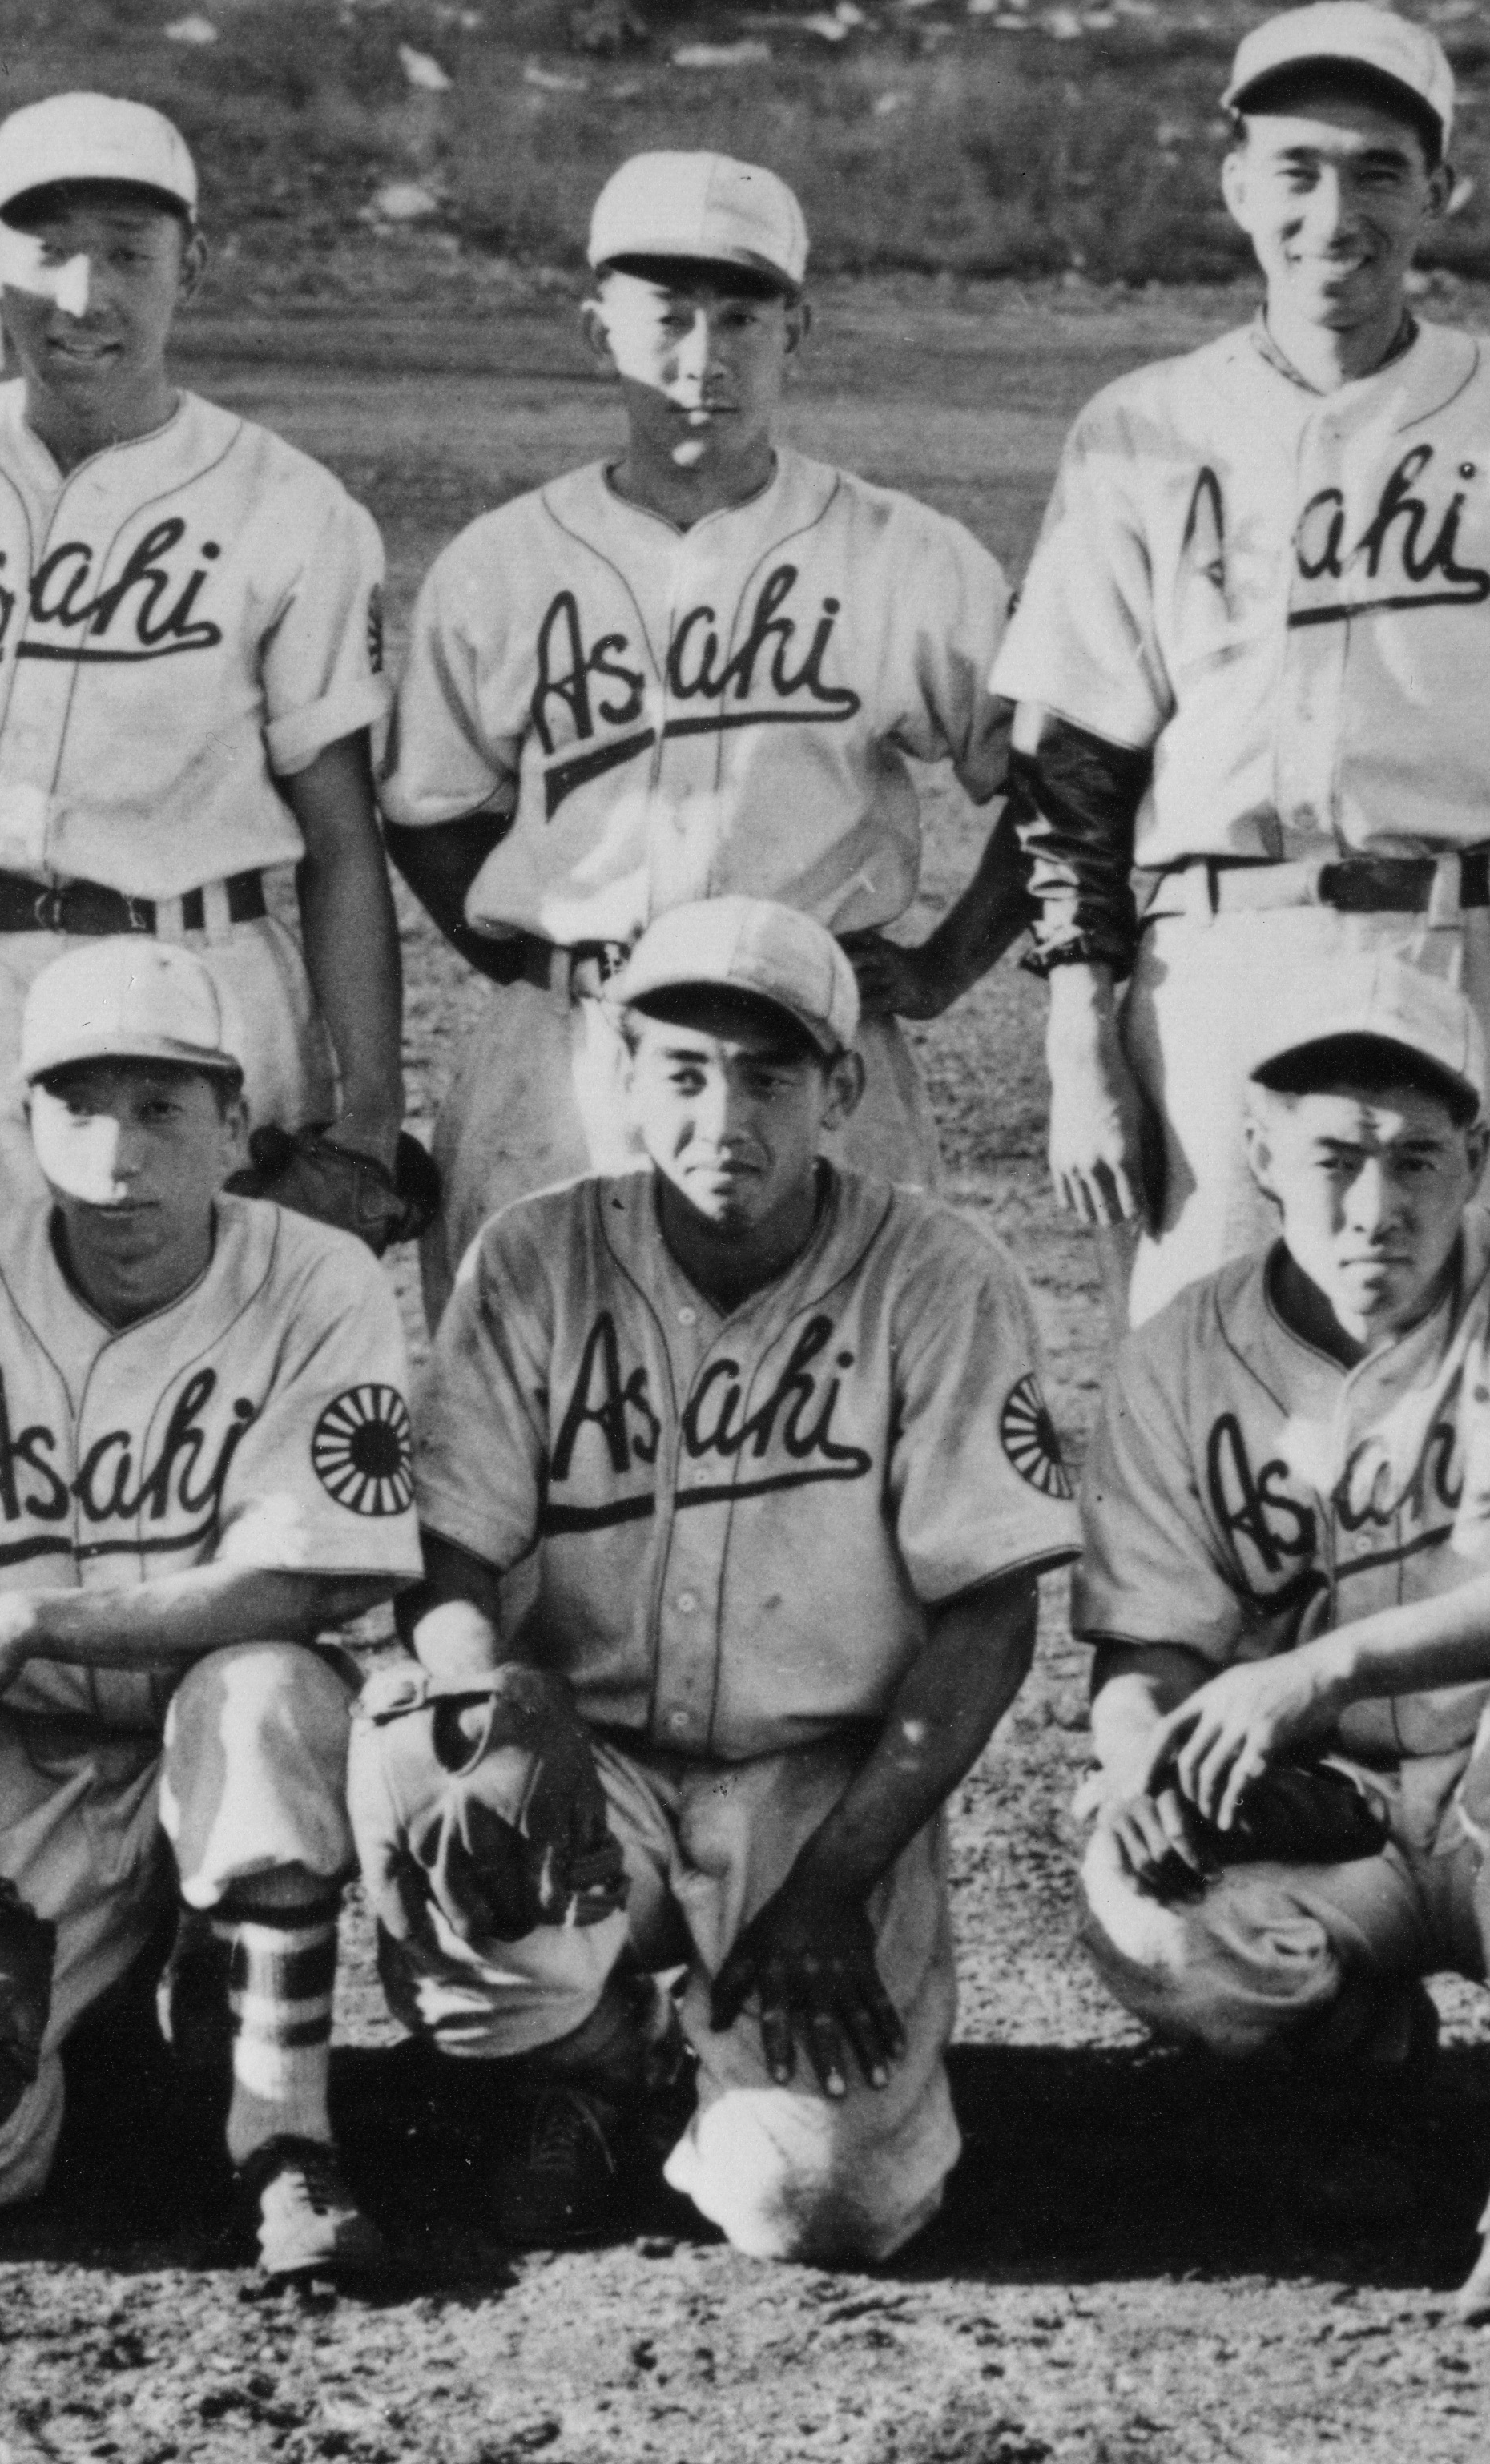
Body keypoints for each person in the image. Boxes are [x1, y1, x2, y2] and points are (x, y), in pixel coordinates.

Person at [994, 0, 1490, 1323]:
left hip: (1478, 950)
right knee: (1213, 1387)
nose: (1336, 211)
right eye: (1297, 169)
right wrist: (1078, 1037)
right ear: (1235, 188)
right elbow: (1071, 763)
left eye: (1379, 168)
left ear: (1440, 189)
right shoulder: (1140, 428)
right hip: (1217, 960)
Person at [364, 896, 1078, 2263]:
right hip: (596, 1770)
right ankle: (604, 2054)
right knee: (429, 1782)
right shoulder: (532, 1253)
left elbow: (991, 1610)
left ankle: (727, 2060)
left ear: (841, 1089)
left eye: (769, 1075)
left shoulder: (939, 1274)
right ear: (623, 1079)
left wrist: (835, 1877)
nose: (722, 1117)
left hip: (822, 1784)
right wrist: (487, 1705)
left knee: (822, 2208)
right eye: (682, 1072)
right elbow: (451, 1550)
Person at [1072, 958, 1490, 2332]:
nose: (1378, 1204)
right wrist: (1141, 1767)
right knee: (1144, 1905)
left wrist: (1322, 1667)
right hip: (1332, 1816)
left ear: (1476, 1154)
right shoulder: (1176, 1353)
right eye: (1335, 1156)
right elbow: (1144, 1652)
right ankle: (1360, 2056)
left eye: (1419, 1157)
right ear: (1256, 1153)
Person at [0, 940, 417, 2281]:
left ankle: (284, 2143)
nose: (119, 1154)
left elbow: (308, 1579)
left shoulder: (320, 1279)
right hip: (18, 1773)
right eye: (78, 1107)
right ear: (25, 1124)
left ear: (233, 1123)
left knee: (257, 1685)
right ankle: (90, 2035)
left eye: (161, 1108)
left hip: (230, 1743)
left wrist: (32, 1619)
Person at [385, 153, 1034, 1310]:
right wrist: (541, 966)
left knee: (833, 1402)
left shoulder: (903, 555)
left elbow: (1048, 774)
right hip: (566, 1060)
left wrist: (944, 964)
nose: (703, 357)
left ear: (799, 329)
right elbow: (429, 814)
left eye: (740, 315)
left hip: (807, 1040)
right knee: (539, 1406)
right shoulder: (500, 562)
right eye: (666, 316)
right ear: (597, 330)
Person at [0, 92, 405, 1255]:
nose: (84, 297)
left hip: (201, 983)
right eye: (47, 251)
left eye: (130, 254)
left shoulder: (289, 506)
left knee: (211, 1396)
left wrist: (372, 1119)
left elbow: (341, 836)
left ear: (194, 266)